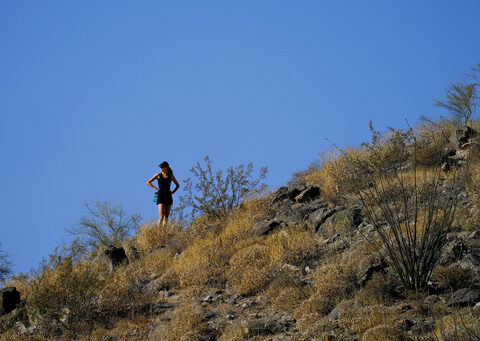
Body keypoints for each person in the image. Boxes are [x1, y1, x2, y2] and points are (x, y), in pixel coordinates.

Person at [146, 161, 180, 227]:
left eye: (162, 166)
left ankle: (164, 233)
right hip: (160, 196)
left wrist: (172, 192)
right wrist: (155, 188)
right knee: (161, 216)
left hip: (168, 196)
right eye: (160, 167)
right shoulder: (158, 175)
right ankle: (159, 233)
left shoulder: (170, 176)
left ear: (166, 167)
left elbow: (177, 185)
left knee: (166, 216)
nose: (161, 168)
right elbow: (148, 182)